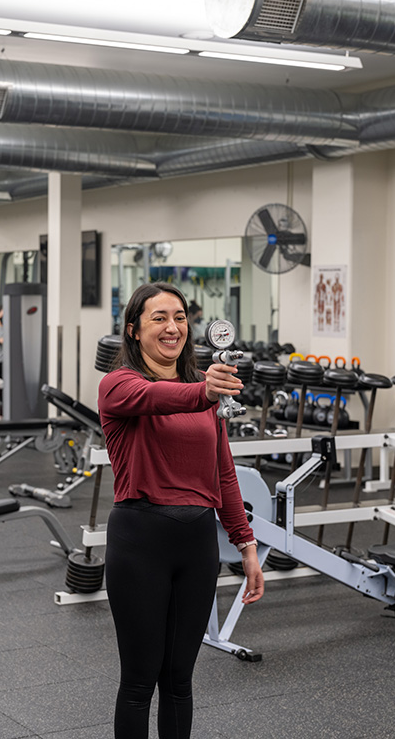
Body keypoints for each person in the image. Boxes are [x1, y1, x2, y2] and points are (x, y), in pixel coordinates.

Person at [98, 281, 264, 739]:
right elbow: (158, 398)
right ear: (133, 330)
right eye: (159, 318)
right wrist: (206, 393)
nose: (172, 327)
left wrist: (246, 544)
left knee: (179, 681)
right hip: (140, 540)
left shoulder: (204, 395)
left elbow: (224, 475)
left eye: (180, 317)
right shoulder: (119, 386)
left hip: (196, 545)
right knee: (138, 681)